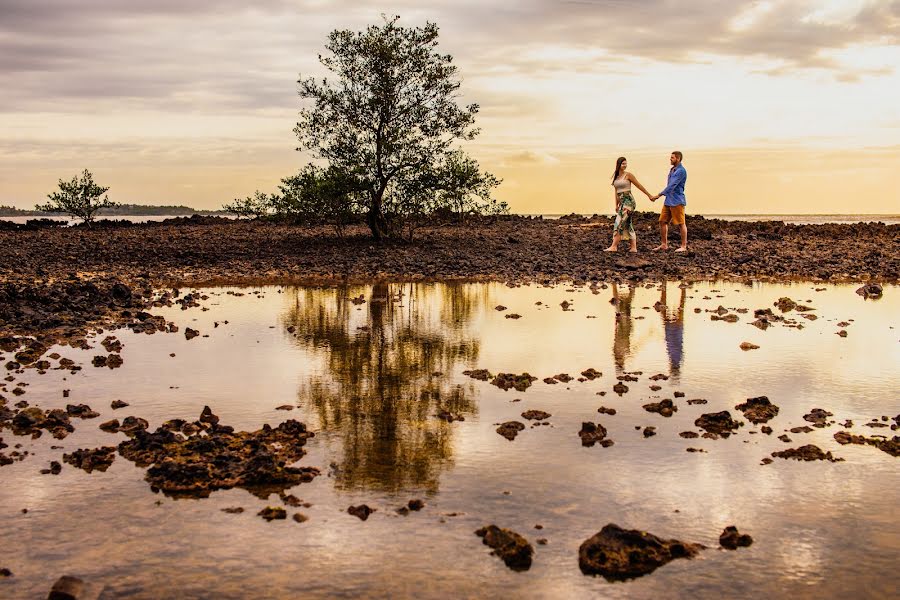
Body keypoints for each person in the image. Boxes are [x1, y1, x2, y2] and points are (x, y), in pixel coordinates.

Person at [604, 157, 653, 252]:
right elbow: (616, 192)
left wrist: (649, 195)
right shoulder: (616, 177)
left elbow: (639, 185)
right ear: (618, 164)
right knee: (627, 224)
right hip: (622, 202)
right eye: (623, 164)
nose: (625, 165)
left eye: (626, 163)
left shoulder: (628, 175)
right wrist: (616, 204)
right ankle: (633, 248)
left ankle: (614, 246)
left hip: (629, 202)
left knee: (619, 223)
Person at [650, 151, 687, 252]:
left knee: (681, 223)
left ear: (678, 159)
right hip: (668, 200)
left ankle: (683, 246)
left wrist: (658, 195)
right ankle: (664, 245)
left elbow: (672, 186)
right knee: (662, 221)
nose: (670, 159)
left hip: (677, 200)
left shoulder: (681, 171)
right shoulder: (672, 170)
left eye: (672, 158)